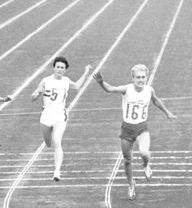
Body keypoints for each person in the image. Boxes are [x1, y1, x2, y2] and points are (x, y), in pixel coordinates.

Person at [92, 65, 176, 200]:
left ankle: (146, 165)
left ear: (146, 78)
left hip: (142, 128)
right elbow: (110, 89)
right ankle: (131, 184)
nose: (141, 80)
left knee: (144, 152)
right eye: (138, 77)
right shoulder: (127, 89)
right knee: (127, 160)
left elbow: (155, 100)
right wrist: (101, 82)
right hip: (127, 129)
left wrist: (167, 113)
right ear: (133, 78)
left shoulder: (149, 90)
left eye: (143, 77)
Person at [31, 57, 92, 181]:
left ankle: (57, 171)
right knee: (48, 143)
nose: (59, 69)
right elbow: (34, 95)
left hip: (60, 115)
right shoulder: (45, 81)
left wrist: (86, 73)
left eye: (62, 68)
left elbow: (77, 86)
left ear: (65, 70)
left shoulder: (66, 81)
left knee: (57, 142)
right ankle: (50, 146)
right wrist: (37, 93)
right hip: (46, 116)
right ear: (54, 68)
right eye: (57, 67)